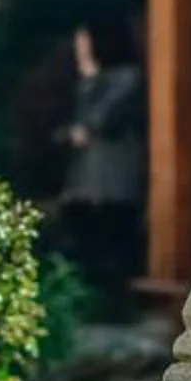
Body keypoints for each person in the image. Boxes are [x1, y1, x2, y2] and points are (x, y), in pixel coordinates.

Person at [54, 15, 146, 296]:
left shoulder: (127, 78)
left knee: (113, 247)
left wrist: (90, 82)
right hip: (86, 184)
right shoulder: (88, 82)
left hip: (113, 183)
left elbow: (101, 120)